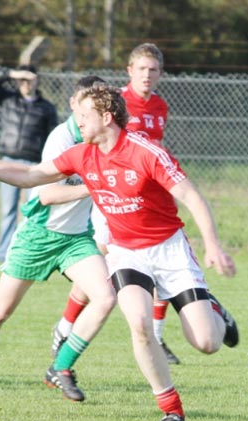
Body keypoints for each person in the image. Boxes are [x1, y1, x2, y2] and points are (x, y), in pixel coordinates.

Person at [0, 83, 239, 421]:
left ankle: (212, 309)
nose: (77, 121)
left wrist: (212, 246)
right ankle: (171, 409)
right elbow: (32, 176)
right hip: (126, 252)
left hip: (169, 251)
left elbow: (192, 196)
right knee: (139, 323)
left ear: (107, 117)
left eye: (83, 116)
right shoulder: (82, 153)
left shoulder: (145, 151)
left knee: (207, 343)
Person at [0, 76, 117, 403]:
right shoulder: (63, 138)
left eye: (95, 109)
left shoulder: (106, 141)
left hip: (75, 239)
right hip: (39, 237)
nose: (86, 116)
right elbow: (45, 193)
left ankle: (61, 368)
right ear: (75, 103)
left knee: (105, 297)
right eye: (84, 107)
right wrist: (94, 186)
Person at [53, 43, 181, 364]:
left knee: (155, 263)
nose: (147, 76)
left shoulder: (160, 107)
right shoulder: (116, 102)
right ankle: (66, 326)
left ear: (161, 74)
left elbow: (154, 154)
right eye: (142, 69)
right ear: (129, 71)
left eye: (153, 70)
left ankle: (158, 336)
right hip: (113, 195)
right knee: (101, 261)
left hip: (144, 198)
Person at [0, 64, 59, 262]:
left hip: (34, 164)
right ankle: (2, 253)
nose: (26, 83)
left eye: (30, 78)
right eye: (22, 79)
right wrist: (11, 73)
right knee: (8, 210)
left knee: (32, 210)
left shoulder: (46, 107)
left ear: (37, 79)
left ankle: (27, 252)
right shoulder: (9, 99)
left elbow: (53, 137)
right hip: (9, 161)